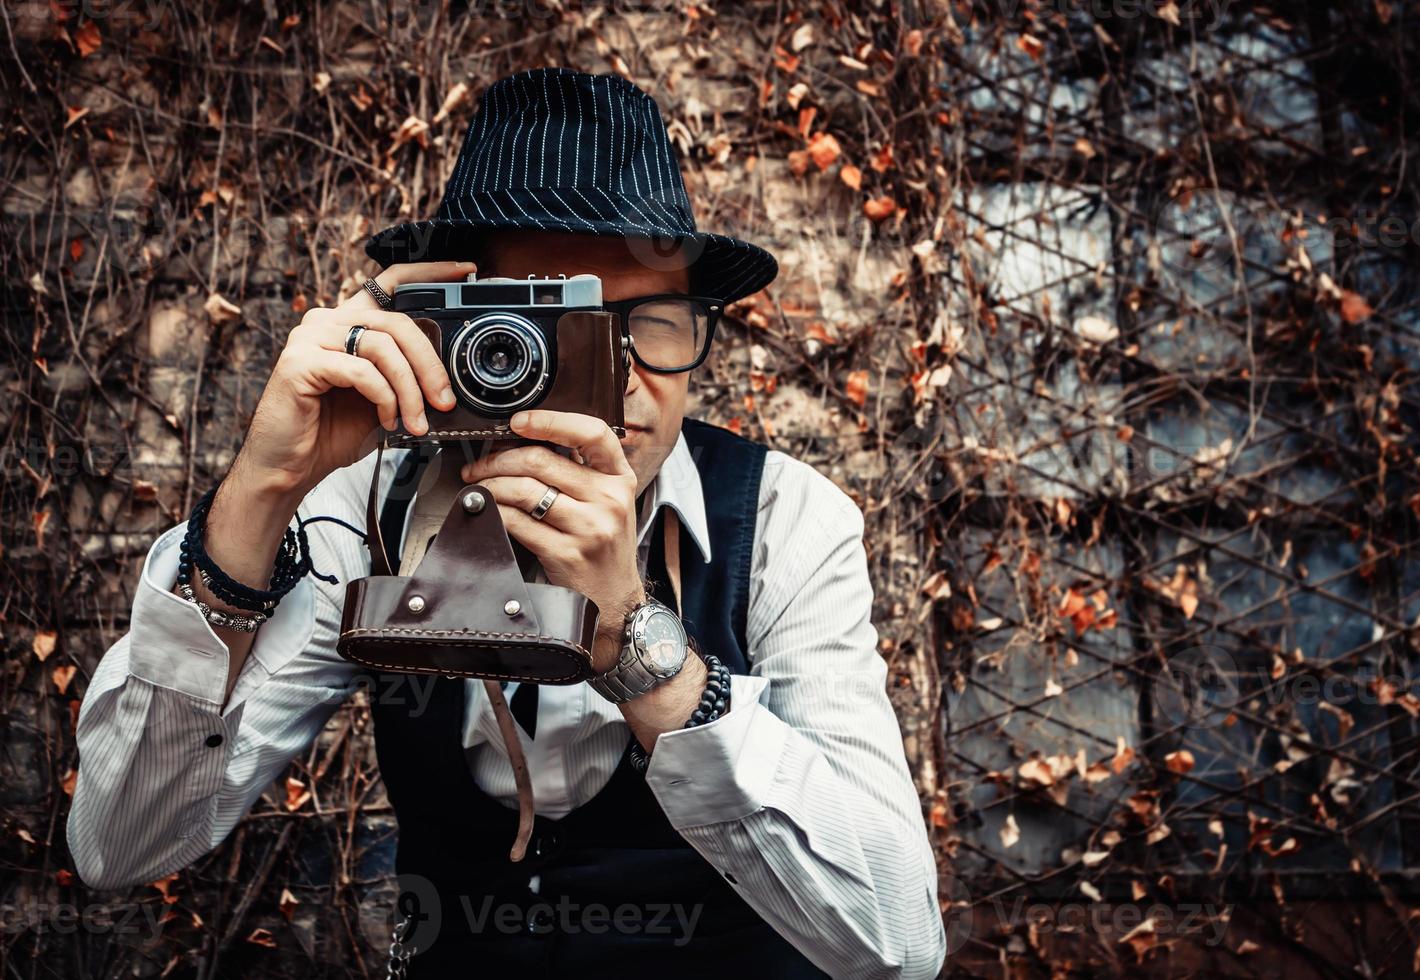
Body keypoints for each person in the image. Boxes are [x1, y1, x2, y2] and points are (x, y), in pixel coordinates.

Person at [67, 67, 945, 979]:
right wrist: (259, 491)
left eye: (654, 319)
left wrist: (640, 648)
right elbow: (118, 844)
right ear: (459, 323)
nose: (617, 374)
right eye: (556, 322)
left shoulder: (784, 521)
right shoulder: (363, 508)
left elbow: (900, 942)